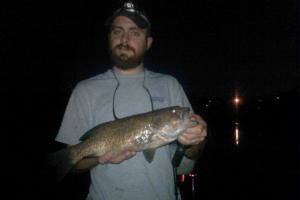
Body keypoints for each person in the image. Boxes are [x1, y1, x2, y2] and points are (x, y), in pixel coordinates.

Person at [55, 1, 207, 200]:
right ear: (109, 37)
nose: (125, 38)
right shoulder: (84, 90)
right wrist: (99, 159)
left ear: (148, 42)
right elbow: (73, 162)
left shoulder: (170, 85)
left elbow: (191, 157)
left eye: (135, 32)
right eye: (117, 31)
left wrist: (197, 140)